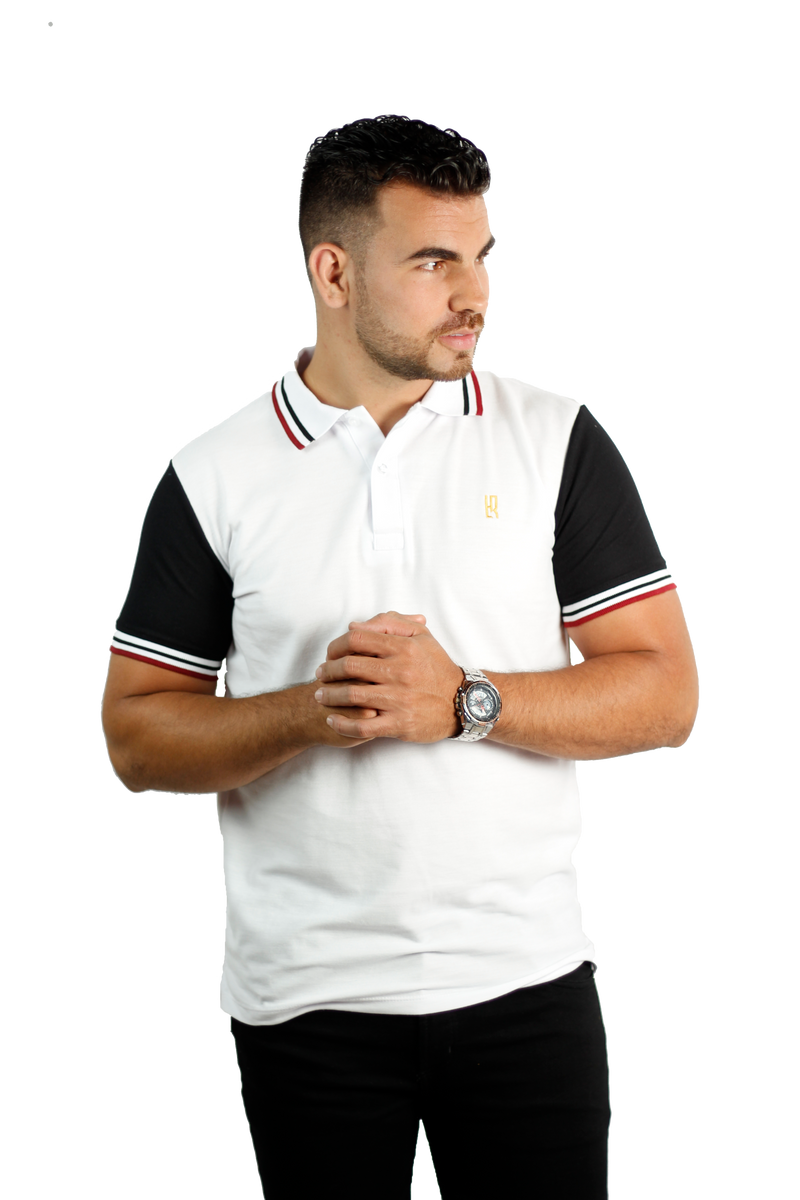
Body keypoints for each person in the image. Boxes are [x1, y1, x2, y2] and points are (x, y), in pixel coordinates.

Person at [100, 114, 700, 1199]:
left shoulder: (555, 438)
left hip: (526, 981)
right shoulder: (212, 472)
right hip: (306, 1000)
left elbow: (666, 693)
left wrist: (462, 700)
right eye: (432, 263)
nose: (473, 294)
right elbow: (136, 737)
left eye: (481, 256)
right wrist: (308, 713)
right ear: (332, 272)